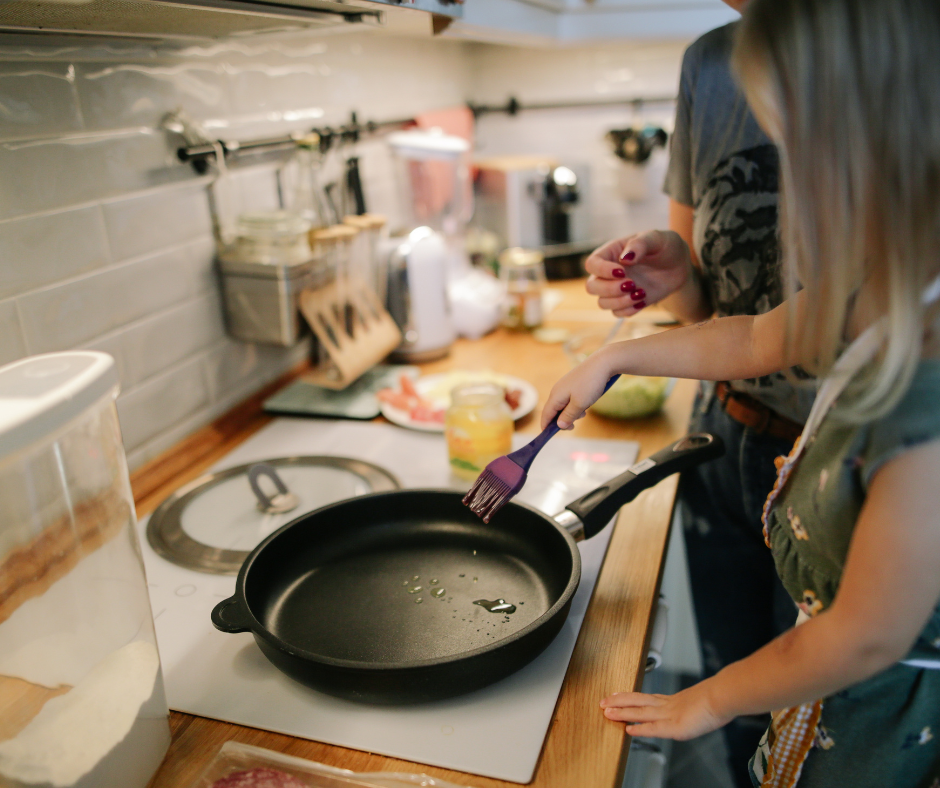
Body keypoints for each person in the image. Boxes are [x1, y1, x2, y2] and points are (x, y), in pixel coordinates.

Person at [545, 0, 940, 785]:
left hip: (874, 727)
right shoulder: (885, 282)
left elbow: (865, 636)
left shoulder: (925, 398)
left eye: (802, 149)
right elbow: (756, 337)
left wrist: (712, 700)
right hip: (818, 696)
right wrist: (619, 354)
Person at [584, 2, 811, 783]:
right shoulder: (712, 62)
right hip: (726, 431)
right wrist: (672, 273)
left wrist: (624, 359)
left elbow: (866, 639)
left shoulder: (893, 52)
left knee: (814, 722)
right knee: (738, 692)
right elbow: (726, 319)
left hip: (838, 458)